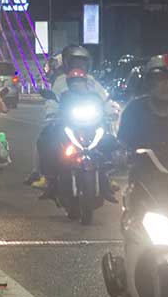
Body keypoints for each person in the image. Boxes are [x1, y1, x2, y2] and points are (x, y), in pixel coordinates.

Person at [28, 45, 110, 192]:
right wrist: (51, 113)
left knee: (109, 140)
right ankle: (48, 177)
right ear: (67, 63)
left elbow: (105, 99)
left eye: (82, 63)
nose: (79, 66)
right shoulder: (61, 81)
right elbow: (52, 100)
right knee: (45, 140)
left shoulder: (92, 81)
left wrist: (110, 111)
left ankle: (107, 177)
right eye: (75, 63)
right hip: (67, 122)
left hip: (91, 122)